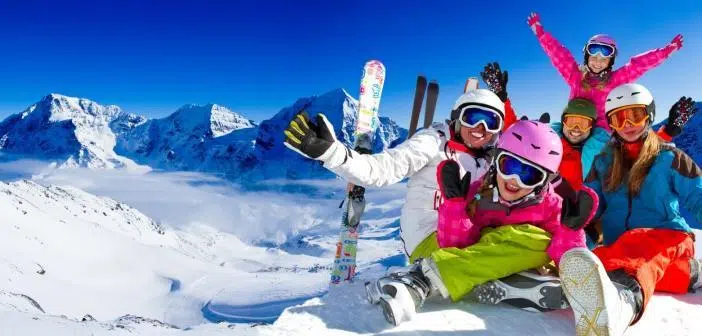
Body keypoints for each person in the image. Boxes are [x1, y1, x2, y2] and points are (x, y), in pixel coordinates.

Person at [365, 119, 598, 326]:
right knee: (531, 239)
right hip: (467, 255)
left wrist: (570, 231)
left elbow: (566, 260)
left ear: (543, 181)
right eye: (510, 166)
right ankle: (423, 278)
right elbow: (455, 245)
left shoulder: (552, 205)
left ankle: (468, 278)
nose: (515, 180)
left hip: (498, 258)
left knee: (539, 241)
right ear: (496, 161)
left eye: (529, 175)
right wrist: (454, 206)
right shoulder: (478, 193)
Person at [283, 67, 516, 263]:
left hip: (464, 234)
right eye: (473, 117)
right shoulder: (432, 142)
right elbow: (383, 169)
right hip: (429, 238)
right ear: (457, 117)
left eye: (492, 122)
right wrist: (332, 152)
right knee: (495, 256)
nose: (481, 128)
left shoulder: (488, 158)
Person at [559, 83, 702, 336]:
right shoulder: (603, 162)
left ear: (649, 115)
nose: (628, 124)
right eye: (618, 117)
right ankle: (690, 273)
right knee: (598, 261)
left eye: (635, 115)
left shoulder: (670, 157)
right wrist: (579, 213)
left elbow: (698, 196)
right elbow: (593, 200)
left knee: (633, 248)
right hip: (623, 245)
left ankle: (623, 304)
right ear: (611, 124)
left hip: (670, 235)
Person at [526, 11, 684, 138]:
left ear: (610, 63)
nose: (598, 62)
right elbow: (559, 54)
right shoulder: (576, 77)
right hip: (573, 123)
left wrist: (666, 52)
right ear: (587, 58)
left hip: (599, 132)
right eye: (594, 57)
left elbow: (639, 65)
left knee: (592, 149)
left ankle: (590, 177)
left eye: (604, 59)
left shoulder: (614, 81)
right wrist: (540, 33)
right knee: (550, 135)